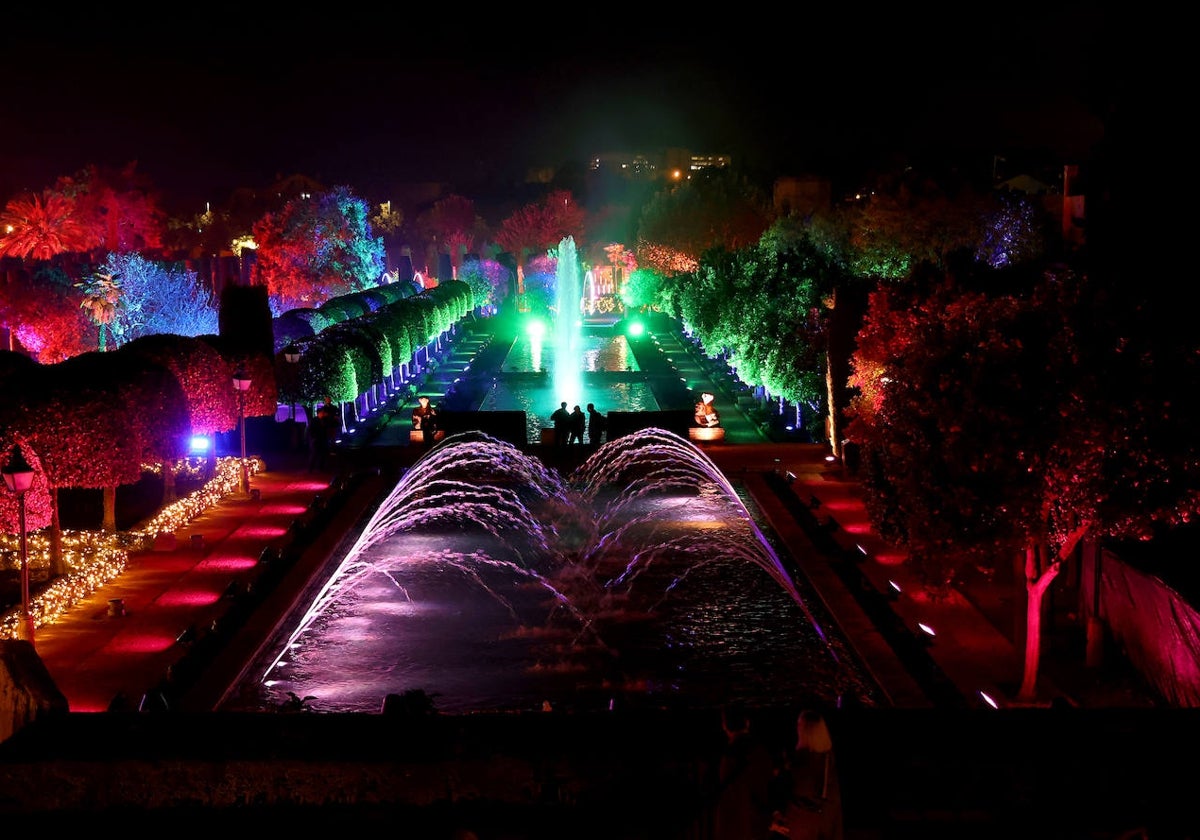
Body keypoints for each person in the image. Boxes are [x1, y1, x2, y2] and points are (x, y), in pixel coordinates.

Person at [769, 709, 843, 840]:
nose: (797, 728)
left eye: (799, 724)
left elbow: (789, 790)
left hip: (801, 826)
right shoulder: (828, 760)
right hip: (824, 824)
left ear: (805, 730)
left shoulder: (800, 762)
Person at [710, 703, 777, 840]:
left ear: (724, 726)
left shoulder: (726, 757)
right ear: (747, 723)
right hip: (756, 827)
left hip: (732, 828)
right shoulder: (761, 753)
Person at [307, 398, 336, 472]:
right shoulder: (314, 420)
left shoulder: (324, 420)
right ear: (319, 413)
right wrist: (313, 438)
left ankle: (321, 468)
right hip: (316, 440)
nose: (323, 414)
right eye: (322, 413)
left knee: (323, 454)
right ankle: (311, 468)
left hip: (323, 439)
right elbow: (311, 430)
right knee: (314, 454)